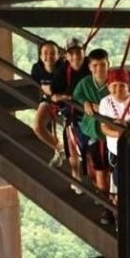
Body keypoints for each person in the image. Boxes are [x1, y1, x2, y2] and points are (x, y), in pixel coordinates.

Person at [99, 69, 130, 206]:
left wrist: (127, 128)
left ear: (128, 86)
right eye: (114, 85)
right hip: (116, 150)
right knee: (118, 182)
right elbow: (104, 128)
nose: (118, 89)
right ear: (109, 87)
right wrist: (121, 134)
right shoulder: (105, 102)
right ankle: (119, 213)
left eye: (122, 85)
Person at [72, 48, 112, 224]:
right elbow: (76, 96)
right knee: (100, 171)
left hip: (112, 135)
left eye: (102, 65)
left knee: (113, 173)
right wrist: (86, 103)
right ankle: (108, 207)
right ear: (89, 67)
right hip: (94, 132)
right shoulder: (86, 83)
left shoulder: (114, 83)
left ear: (108, 65)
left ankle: (113, 203)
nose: (99, 69)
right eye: (95, 65)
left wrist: (100, 108)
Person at [50, 37, 90, 194]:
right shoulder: (63, 71)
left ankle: (94, 183)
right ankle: (76, 177)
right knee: (72, 148)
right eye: (71, 54)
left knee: (90, 151)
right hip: (72, 114)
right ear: (66, 56)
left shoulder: (90, 66)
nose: (75, 57)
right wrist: (66, 98)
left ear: (83, 53)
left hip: (89, 114)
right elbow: (54, 95)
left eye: (78, 53)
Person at [31, 40, 65, 167]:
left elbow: (53, 88)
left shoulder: (63, 68)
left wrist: (47, 89)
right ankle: (59, 148)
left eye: (52, 53)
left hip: (64, 102)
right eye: (45, 53)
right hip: (48, 101)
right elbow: (41, 85)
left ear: (58, 55)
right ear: (40, 56)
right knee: (37, 127)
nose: (49, 56)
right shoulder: (37, 69)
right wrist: (47, 89)